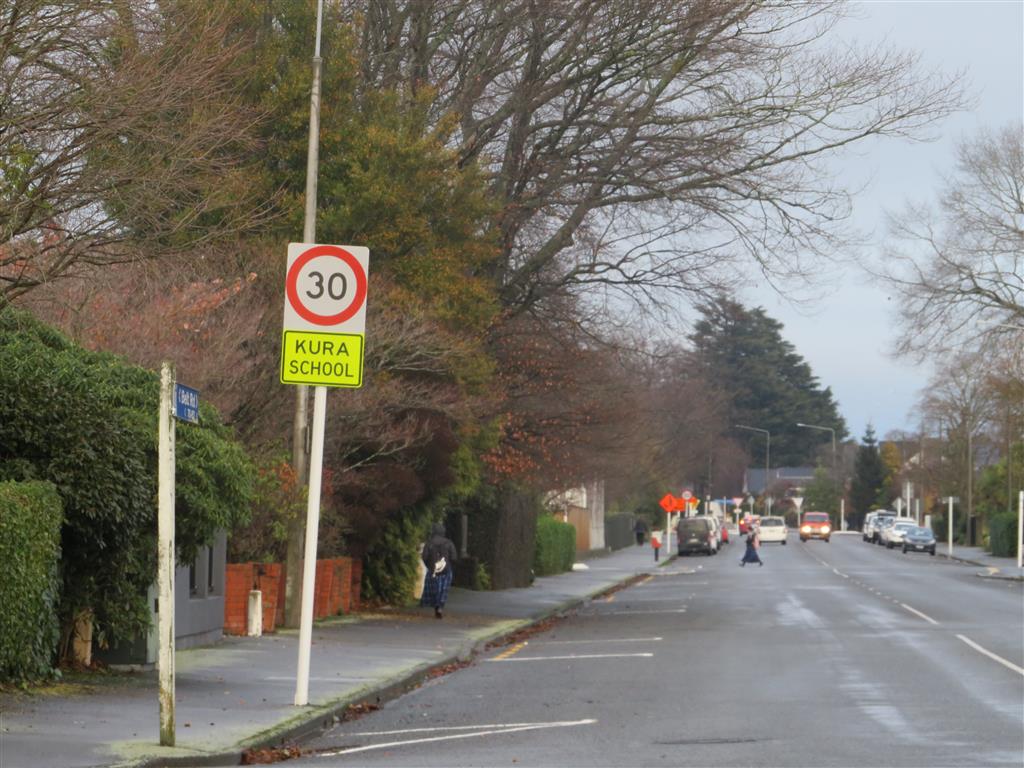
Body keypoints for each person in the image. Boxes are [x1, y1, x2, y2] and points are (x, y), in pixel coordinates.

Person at [420, 523, 458, 618]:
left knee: (434, 589)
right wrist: (449, 565)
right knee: (443, 590)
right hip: (446, 571)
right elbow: (454, 557)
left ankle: (435, 604)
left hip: (432, 571)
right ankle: (440, 606)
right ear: (443, 532)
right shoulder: (449, 543)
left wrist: (429, 566)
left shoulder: (429, 543)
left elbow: (424, 557)